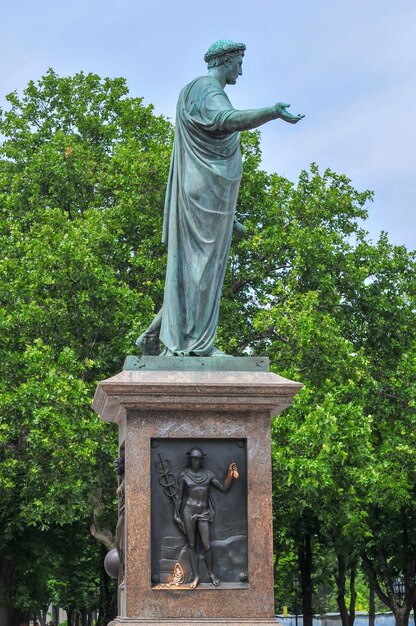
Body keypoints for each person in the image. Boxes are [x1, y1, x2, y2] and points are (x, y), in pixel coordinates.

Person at [136, 39, 304, 357]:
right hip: (203, 195)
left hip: (208, 196)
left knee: (192, 270)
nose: (241, 69)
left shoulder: (198, 91)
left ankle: (155, 334)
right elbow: (225, 121)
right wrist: (272, 112)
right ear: (226, 61)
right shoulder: (205, 89)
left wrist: (232, 218)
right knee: (200, 271)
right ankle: (192, 347)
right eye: (239, 61)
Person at [174, 447, 238, 588]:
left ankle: (211, 573)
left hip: (203, 512)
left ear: (202, 460)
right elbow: (179, 498)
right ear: (190, 460)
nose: (196, 462)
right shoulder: (184, 475)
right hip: (188, 512)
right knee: (191, 545)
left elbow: (223, 487)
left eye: (198, 459)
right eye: (193, 459)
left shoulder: (208, 475)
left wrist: (230, 474)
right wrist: (176, 514)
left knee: (207, 545)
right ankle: (196, 576)